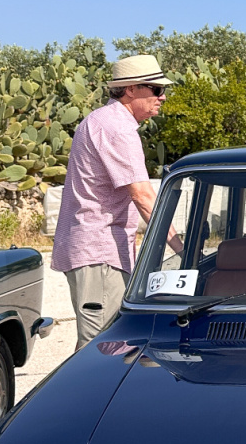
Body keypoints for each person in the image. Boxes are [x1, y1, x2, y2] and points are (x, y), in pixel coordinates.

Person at [52, 55, 174, 348]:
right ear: (131, 90)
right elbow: (142, 195)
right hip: (99, 250)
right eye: (156, 89)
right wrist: (182, 247)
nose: (163, 97)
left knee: (109, 342)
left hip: (97, 248)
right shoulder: (117, 128)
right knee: (103, 345)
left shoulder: (102, 120)